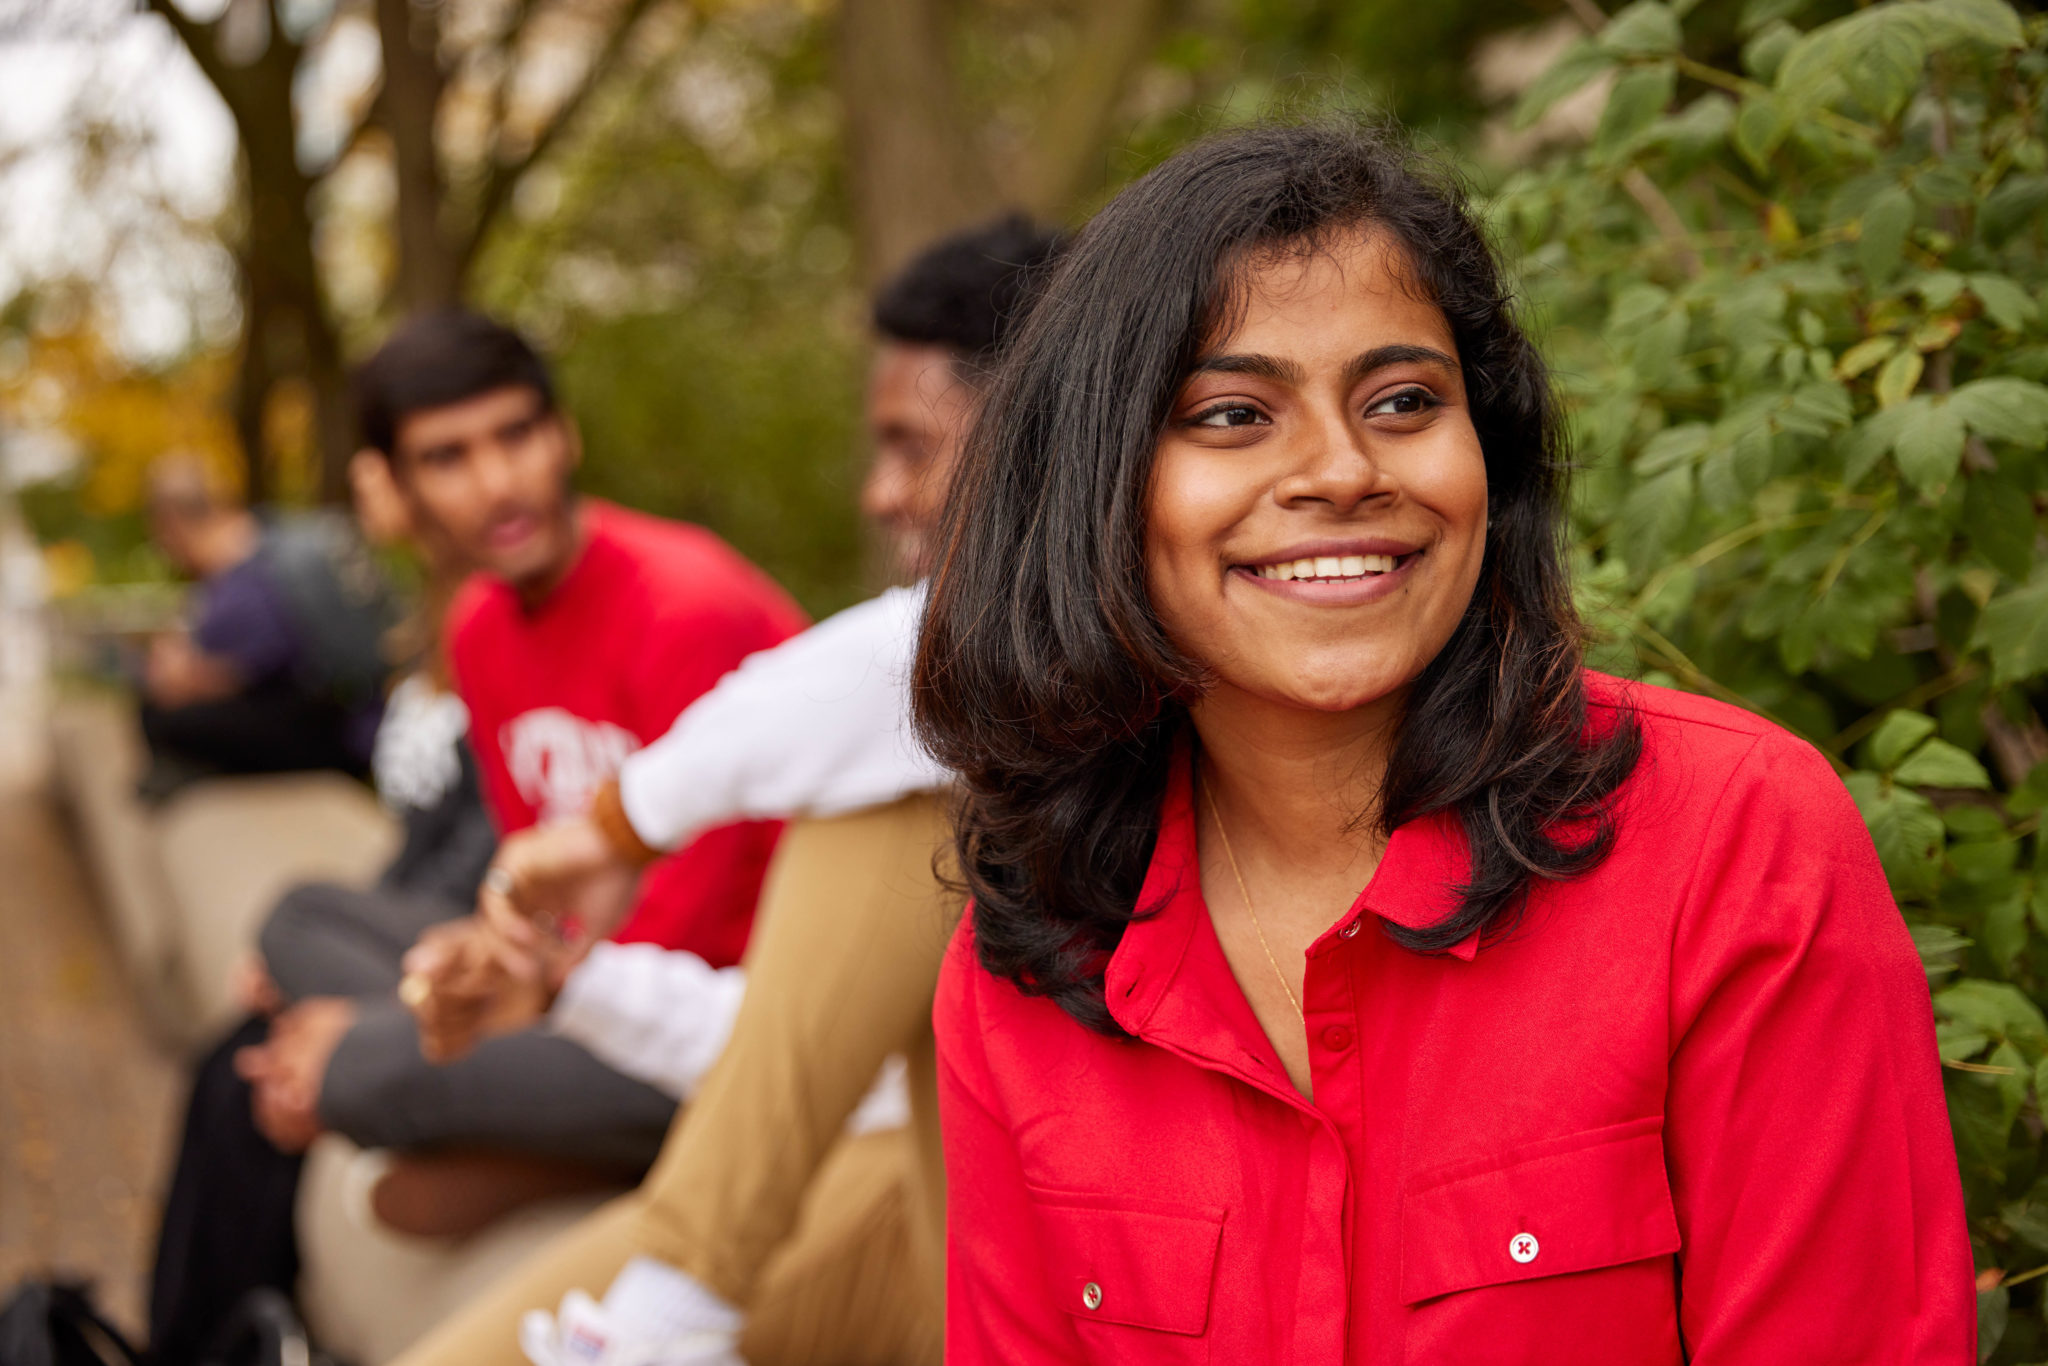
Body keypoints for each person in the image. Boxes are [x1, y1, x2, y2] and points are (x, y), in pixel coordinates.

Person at [913, 123, 1975, 1363]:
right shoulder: (1030, 960)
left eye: (1403, 400)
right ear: (1096, 484)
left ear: (1491, 454)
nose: (1341, 469)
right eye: (1235, 413)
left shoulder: (1731, 839)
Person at [384, 217, 1061, 1366]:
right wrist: (571, 981)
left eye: (908, 445)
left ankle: (675, 1295)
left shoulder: (1044, 700)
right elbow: (783, 1055)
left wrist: (613, 826)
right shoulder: (484, 627)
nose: (876, 492)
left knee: (369, 1068)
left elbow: (900, 669)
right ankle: (670, 1301)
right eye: (442, 456)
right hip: (863, 1168)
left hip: (1015, 1261)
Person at [232, 310, 806, 1212]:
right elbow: (528, 884)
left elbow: (681, 930)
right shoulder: (480, 630)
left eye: (517, 435)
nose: (499, 484)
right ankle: (504, 1125)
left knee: (348, 1069)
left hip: (721, 1025)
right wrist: (460, 975)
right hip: (572, 983)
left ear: (563, 433)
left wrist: (390, 1031)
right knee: (297, 919)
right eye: (448, 458)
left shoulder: (687, 607)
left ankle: (495, 1120)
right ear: (403, 486)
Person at [146, 449, 497, 1366]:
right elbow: (418, 848)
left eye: (393, 460)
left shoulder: (500, 624)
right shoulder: (415, 616)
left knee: (257, 1079)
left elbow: (490, 857)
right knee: (227, 1064)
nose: (362, 483)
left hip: (468, 964)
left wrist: (357, 984)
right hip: (412, 930)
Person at [139, 455, 395, 790]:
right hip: (334, 717)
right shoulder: (265, 542)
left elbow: (260, 665)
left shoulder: (244, 572)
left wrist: (187, 677)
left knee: (161, 718)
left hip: (328, 728)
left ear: (171, 522)